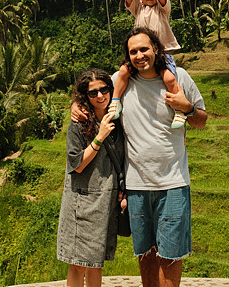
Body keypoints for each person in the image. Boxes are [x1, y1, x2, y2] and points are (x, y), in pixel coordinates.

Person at [72, 28, 207, 287]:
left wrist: (187, 108)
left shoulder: (180, 78)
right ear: (127, 57)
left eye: (144, 49)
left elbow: (201, 121)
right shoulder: (119, 82)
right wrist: (75, 106)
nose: (139, 55)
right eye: (133, 51)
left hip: (173, 183)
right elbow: (92, 96)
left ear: (156, 49)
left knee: (170, 255)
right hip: (136, 186)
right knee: (146, 254)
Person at [57, 69, 127, 287]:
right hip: (81, 201)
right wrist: (99, 136)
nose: (99, 96)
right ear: (85, 96)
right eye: (93, 92)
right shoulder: (79, 123)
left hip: (105, 200)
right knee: (78, 263)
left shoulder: (119, 120)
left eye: (104, 89)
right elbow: (77, 165)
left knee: (96, 262)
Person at [109, 0, 185, 129]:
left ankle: (179, 109)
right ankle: (115, 102)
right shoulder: (138, 8)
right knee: (123, 72)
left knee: (170, 79)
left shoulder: (162, 9)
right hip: (140, 54)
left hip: (161, 53)